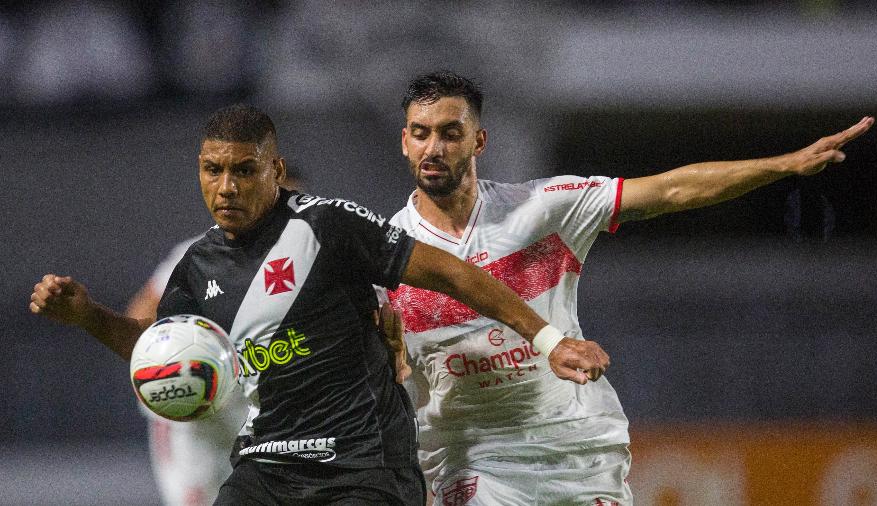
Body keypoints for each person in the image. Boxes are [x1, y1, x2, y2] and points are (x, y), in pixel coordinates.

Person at [30, 104, 609, 505]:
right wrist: (88, 317)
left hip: (362, 465)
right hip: (268, 464)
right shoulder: (195, 267)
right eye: (212, 170)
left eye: (243, 170)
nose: (226, 186)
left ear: (275, 172)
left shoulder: (326, 224)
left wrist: (548, 339)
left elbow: (451, 274)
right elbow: (158, 350)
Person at [388, 71, 874, 505]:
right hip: (472, 461)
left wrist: (784, 165)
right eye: (421, 133)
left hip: (576, 447)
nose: (435, 148)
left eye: (451, 134)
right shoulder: (382, 252)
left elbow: (671, 190)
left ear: (478, 141)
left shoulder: (542, 209)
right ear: (405, 142)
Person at [125, 170, 299, 506]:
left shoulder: (309, 259)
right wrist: (167, 358)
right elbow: (141, 312)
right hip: (196, 412)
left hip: (260, 412)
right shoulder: (201, 255)